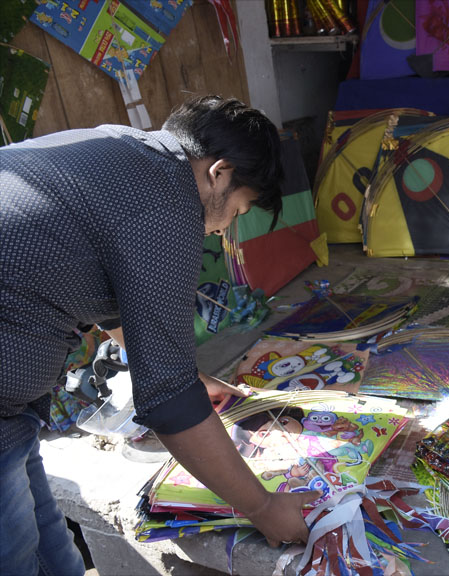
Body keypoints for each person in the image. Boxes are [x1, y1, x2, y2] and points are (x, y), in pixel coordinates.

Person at [0, 95, 320, 575]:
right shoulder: (167, 206)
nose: (224, 228)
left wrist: (193, 377)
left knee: (49, 545)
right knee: (15, 558)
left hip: (12, 409)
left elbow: (105, 298)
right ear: (219, 172)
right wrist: (262, 507)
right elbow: (168, 400)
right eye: (239, 208)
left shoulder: (124, 152)